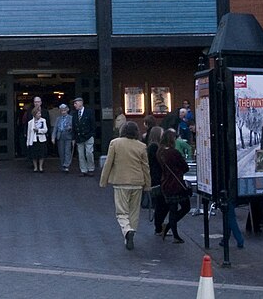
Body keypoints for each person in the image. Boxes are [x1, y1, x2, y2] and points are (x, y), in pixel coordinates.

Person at [100, 120, 150, 251]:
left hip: (120, 181)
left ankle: (127, 230)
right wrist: (148, 184)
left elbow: (108, 163)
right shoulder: (141, 146)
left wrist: (103, 180)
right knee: (134, 212)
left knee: (122, 212)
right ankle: (131, 231)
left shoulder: (115, 143)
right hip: (138, 182)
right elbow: (146, 167)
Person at [156, 129, 191, 243]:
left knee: (173, 208)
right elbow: (185, 167)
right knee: (186, 207)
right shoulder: (174, 153)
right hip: (176, 184)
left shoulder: (159, 152)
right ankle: (170, 228)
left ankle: (174, 233)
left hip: (165, 183)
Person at [72, 97, 96, 177]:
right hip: (79, 137)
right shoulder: (74, 114)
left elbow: (93, 124)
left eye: (76, 103)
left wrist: (92, 134)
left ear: (81, 103)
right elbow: (74, 127)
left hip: (88, 136)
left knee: (89, 153)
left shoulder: (89, 112)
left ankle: (91, 168)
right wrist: (73, 138)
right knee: (81, 154)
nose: (74, 105)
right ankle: (83, 170)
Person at [51, 103, 73, 172]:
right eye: (62, 110)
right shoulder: (58, 118)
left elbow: (74, 128)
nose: (63, 112)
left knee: (67, 151)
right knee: (61, 151)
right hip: (60, 136)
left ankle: (66, 165)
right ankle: (62, 164)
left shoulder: (71, 118)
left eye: (64, 110)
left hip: (68, 136)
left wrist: (70, 128)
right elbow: (55, 128)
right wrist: (53, 137)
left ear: (67, 110)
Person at [26, 107, 48, 172]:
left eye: (40, 113)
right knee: (34, 154)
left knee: (41, 154)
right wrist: (27, 142)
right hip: (33, 140)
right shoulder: (30, 122)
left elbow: (45, 130)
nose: (40, 115)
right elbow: (28, 133)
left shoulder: (43, 120)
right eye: (38, 113)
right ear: (34, 114)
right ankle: (35, 167)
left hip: (41, 139)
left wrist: (38, 130)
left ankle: (40, 167)